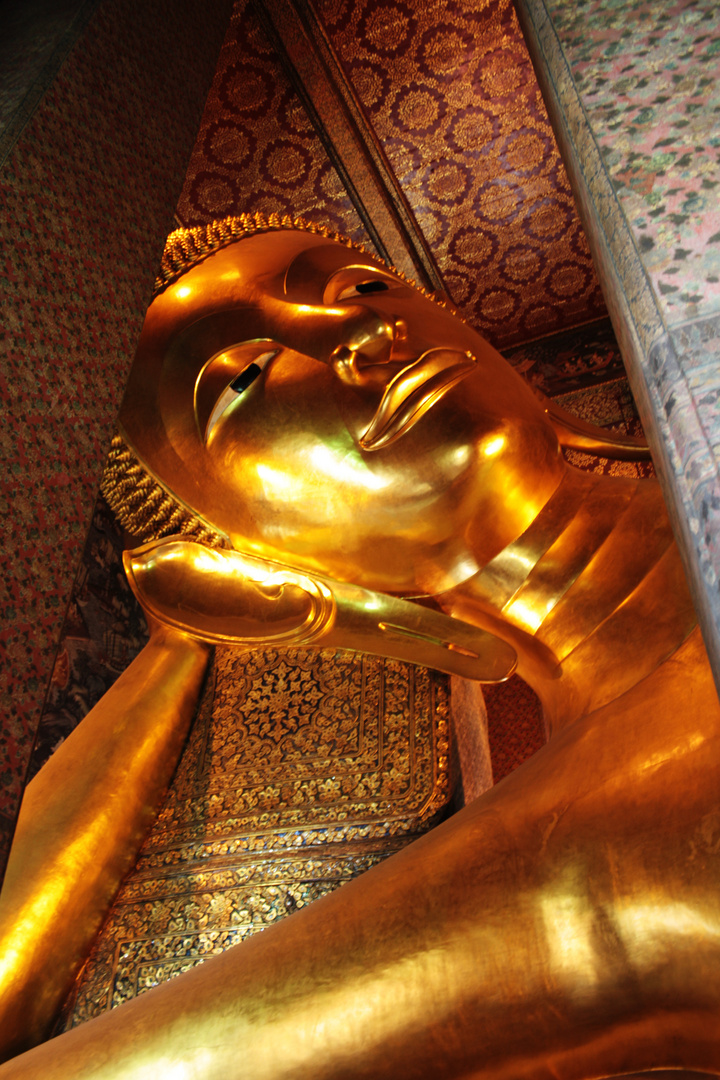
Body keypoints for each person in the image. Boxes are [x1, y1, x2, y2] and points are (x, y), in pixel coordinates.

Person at [1, 214, 718, 1079]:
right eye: (245, 383)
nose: (365, 333)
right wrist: (181, 649)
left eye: (364, 286)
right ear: (241, 556)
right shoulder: (585, 861)